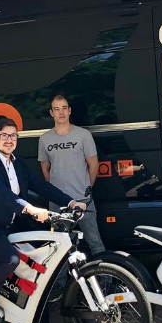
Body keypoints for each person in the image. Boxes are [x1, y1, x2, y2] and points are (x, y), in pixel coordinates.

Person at [0, 118, 86, 323]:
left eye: (13, 136)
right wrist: (29, 208)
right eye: (4, 136)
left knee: (43, 264)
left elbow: (42, 186)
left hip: (9, 227)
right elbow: (1, 193)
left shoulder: (18, 163)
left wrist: (70, 202)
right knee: (10, 259)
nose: (9, 140)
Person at [38, 94, 105, 255]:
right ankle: (63, 274)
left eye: (64, 108)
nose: (61, 112)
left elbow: (93, 164)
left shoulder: (83, 135)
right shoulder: (45, 139)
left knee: (95, 242)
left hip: (83, 200)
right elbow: (45, 169)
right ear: (51, 113)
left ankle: (104, 272)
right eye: (56, 109)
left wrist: (87, 187)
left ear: (69, 111)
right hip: (58, 203)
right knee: (58, 248)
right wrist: (54, 192)